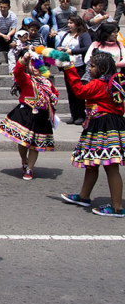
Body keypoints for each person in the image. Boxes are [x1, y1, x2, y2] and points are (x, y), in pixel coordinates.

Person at [60, 51, 125, 217]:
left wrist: (69, 68)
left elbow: (79, 91)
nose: (90, 68)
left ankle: (117, 207)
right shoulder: (112, 82)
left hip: (104, 126)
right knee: (91, 164)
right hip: (101, 125)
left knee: (111, 167)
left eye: (93, 66)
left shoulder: (99, 84)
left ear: (102, 68)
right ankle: (84, 196)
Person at [0, 48, 58, 180]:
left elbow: (55, 95)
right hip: (26, 114)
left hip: (41, 116)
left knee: (35, 145)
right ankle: (24, 161)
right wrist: (24, 59)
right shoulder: (25, 79)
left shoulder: (47, 83)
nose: (36, 68)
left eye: (38, 65)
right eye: (33, 65)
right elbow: (17, 71)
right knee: (24, 142)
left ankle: (30, 169)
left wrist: (52, 101)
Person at [57, 15, 93, 124]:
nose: (69, 25)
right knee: (70, 92)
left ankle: (81, 115)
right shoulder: (67, 35)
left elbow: (88, 47)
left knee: (78, 91)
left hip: (78, 66)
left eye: (71, 23)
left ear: (77, 24)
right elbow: (60, 45)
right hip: (67, 66)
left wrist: (73, 51)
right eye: (68, 23)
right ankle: (74, 114)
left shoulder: (83, 35)